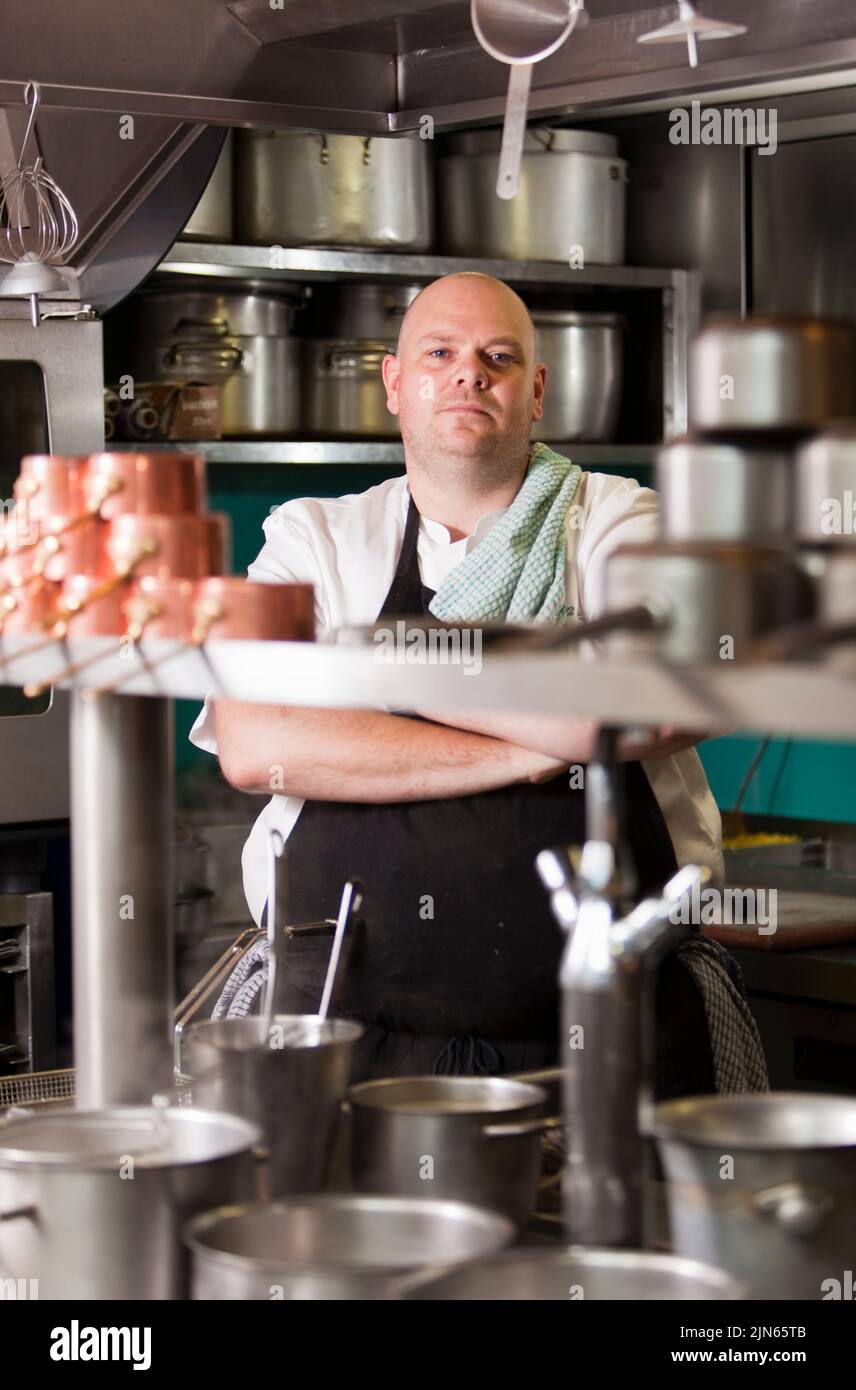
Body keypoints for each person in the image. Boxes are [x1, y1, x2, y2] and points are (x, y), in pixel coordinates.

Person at [190, 272, 724, 1097]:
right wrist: (527, 748)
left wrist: (373, 671)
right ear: (396, 385)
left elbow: (649, 705)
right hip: (341, 1036)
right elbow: (255, 746)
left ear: (535, 391)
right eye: (439, 352)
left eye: (498, 357)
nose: (468, 372)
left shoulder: (618, 523)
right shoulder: (313, 539)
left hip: (611, 1043)